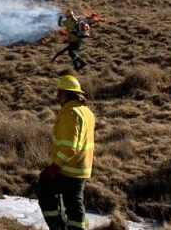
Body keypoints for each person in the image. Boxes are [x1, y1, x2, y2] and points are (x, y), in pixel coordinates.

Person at [37, 75, 96, 230]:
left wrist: (55, 167)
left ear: (67, 93)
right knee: (74, 203)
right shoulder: (86, 112)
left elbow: (70, 146)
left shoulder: (71, 113)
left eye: (60, 92)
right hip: (81, 167)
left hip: (69, 168)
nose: (57, 96)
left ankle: (58, 227)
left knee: (45, 189)